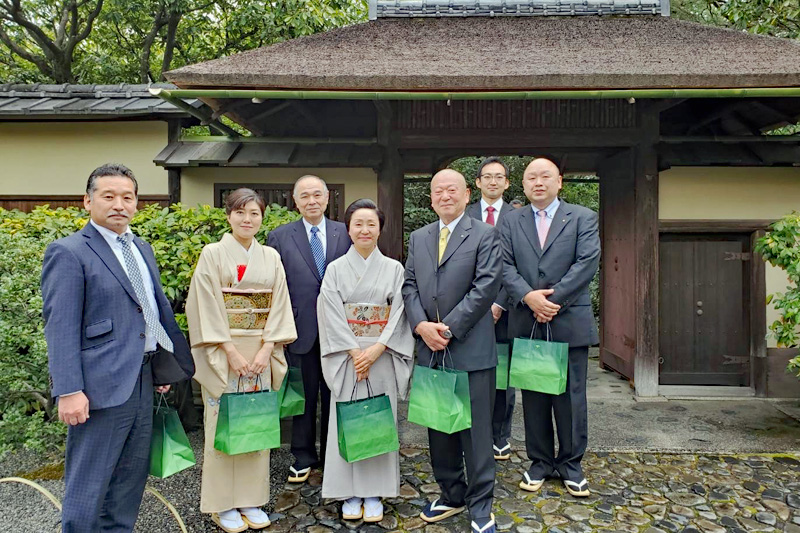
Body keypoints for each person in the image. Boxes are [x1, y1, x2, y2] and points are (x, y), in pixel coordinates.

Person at [41, 163, 194, 533]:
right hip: (97, 388)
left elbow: (150, 312)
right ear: (87, 201)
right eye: (108, 196)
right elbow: (59, 326)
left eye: (127, 197)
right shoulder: (69, 252)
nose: (119, 205)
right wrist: (69, 390)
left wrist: (160, 367)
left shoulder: (140, 247)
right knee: (89, 484)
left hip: (141, 378)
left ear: (137, 203)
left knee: (129, 481)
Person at [186, 188, 297, 532]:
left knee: (256, 423)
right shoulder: (212, 253)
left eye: (254, 214)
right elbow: (203, 304)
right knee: (222, 422)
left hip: (261, 351)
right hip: (224, 350)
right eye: (240, 213)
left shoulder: (271, 257)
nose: (247, 220)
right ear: (228, 216)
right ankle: (222, 503)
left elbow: (279, 304)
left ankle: (251, 498)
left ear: (262, 219)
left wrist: (267, 348)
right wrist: (229, 351)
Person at [402, 169, 502, 533]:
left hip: (470, 348)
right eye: (438, 191)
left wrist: (449, 327)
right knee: (439, 427)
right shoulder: (419, 237)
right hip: (430, 348)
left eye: (452, 190)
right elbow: (409, 284)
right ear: (431, 198)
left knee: (475, 432)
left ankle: (480, 504)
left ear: (465, 196)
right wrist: (420, 326)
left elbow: (487, 285)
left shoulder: (486, 234)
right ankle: (450, 492)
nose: (445, 195)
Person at [498, 157, 600, 498]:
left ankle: (572, 465)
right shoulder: (511, 221)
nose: (538, 182)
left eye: (545, 176)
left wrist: (551, 300)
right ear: (523, 185)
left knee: (571, 396)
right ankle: (539, 461)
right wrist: (529, 297)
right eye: (531, 177)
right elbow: (503, 264)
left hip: (568, 318)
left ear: (560, 182)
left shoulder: (582, 217)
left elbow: (587, 262)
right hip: (528, 318)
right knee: (535, 395)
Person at [316, 199, 415, 523]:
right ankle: (348, 491)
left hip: (381, 355)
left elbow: (400, 312)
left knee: (378, 419)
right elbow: (329, 311)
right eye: (358, 224)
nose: (364, 230)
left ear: (379, 229)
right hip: (347, 357)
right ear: (348, 229)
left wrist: (378, 348)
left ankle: (374, 491)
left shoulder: (393, 269)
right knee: (348, 418)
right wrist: (354, 351)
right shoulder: (335, 270)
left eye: (371, 224)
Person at [267, 175, 352, 483]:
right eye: (305, 196)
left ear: (327, 198)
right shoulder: (279, 236)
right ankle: (302, 455)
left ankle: (332, 452)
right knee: (303, 395)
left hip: (339, 330)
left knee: (335, 392)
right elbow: (274, 287)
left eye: (317, 195)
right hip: (298, 328)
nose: (312, 201)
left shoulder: (345, 232)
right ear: (295, 200)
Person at [465, 156, 516, 461]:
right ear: (478, 183)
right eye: (488, 176)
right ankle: (471, 431)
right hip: (469, 309)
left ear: (507, 183)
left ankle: (500, 435)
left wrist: (499, 302)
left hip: (505, 310)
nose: (493, 181)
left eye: (499, 177)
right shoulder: (465, 213)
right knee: (470, 373)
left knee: (502, 377)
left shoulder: (518, 217)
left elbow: (517, 265)